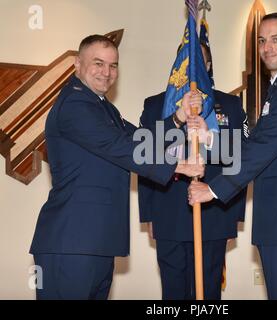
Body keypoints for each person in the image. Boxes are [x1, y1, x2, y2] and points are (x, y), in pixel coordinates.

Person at [29, 34, 204, 300]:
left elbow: (140, 140)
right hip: (72, 243)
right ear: (77, 64)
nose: (107, 72)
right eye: (98, 63)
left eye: (113, 65)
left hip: (96, 241)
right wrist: (179, 165)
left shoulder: (103, 107)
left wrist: (179, 117)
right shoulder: (75, 104)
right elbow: (120, 148)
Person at [188, 13, 277, 300]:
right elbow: (255, 142)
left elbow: (261, 149)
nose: (267, 48)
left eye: (276, 40)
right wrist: (209, 136)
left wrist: (212, 189)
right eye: (262, 41)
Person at [137, 43, 248, 300]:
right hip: (169, 212)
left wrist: (235, 216)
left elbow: (243, 157)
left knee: (208, 291)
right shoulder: (155, 105)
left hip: (215, 212)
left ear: (208, 66)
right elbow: (143, 159)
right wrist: (149, 216)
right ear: (179, 66)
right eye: (188, 62)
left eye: (201, 62)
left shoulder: (230, 105)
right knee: (173, 293)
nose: (195, 69)